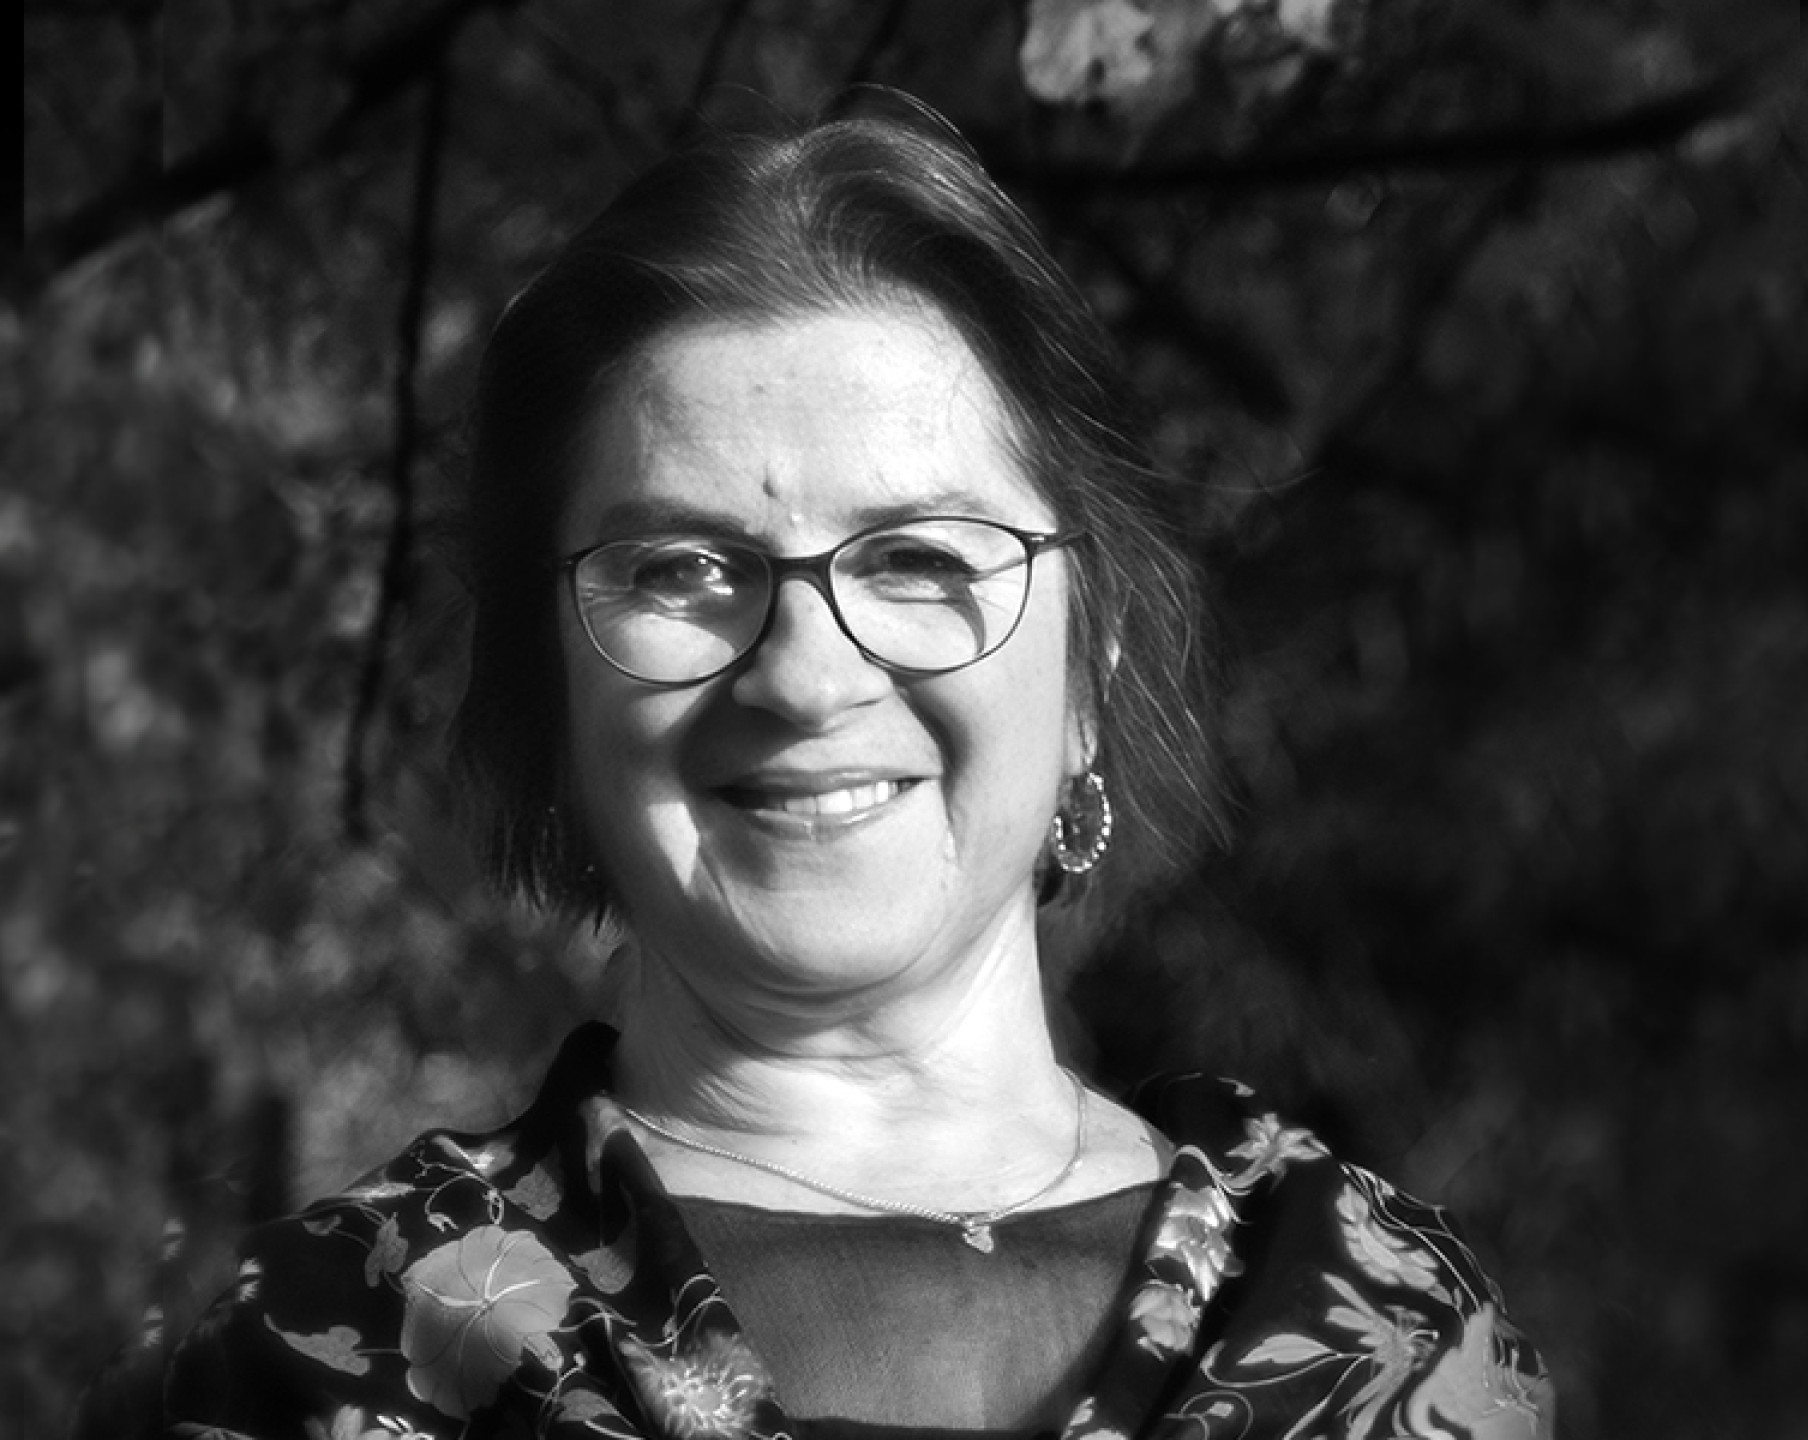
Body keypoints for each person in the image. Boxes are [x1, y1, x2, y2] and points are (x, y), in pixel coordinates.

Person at [154, 103, 1554, 1439]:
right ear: (551, 692)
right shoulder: (325, 1353)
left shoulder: (1379, 1329)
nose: (807, 676)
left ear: (1089, 665)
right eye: (683, 569)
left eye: (919, 557)